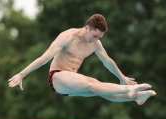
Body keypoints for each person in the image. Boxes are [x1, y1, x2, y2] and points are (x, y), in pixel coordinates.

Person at [8, 14, 156, 105]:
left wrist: (122, 77)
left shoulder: (95, 44)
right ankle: (129, 90)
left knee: (101, 89)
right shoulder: (67, 37)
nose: (96, 40)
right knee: (92, 83)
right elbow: (44, 58)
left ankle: (136, 98)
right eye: (95, 36)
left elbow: (108, 61)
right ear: (87, 28)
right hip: (57, 77)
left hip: (71, 84)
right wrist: (22, 74)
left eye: (99, 37)